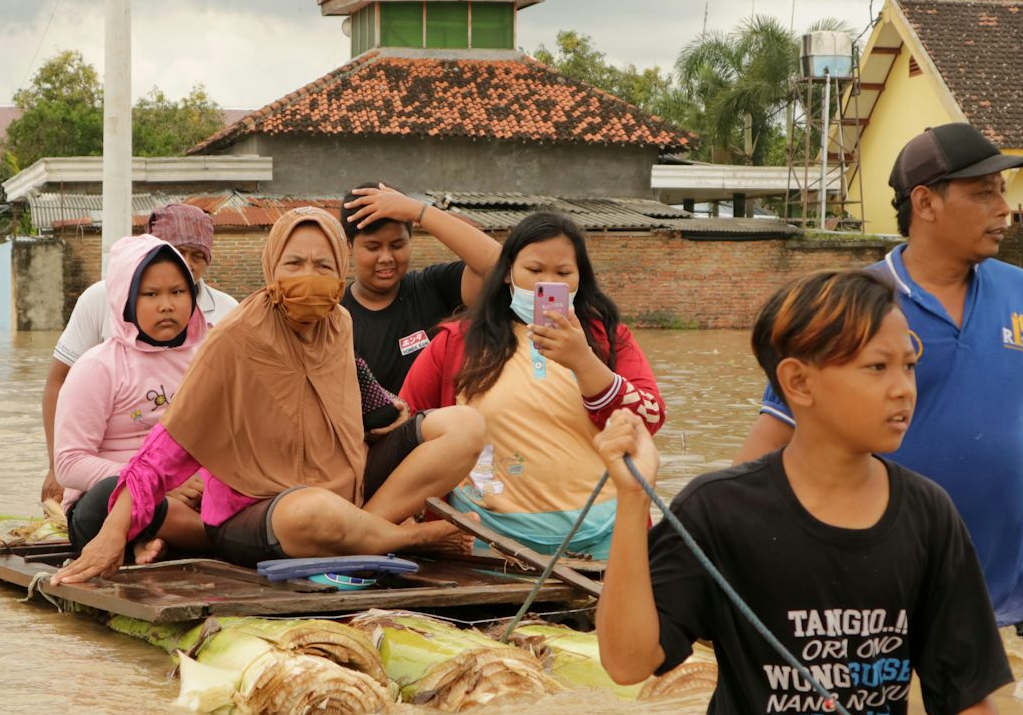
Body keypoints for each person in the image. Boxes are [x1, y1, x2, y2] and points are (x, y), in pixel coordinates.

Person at [595, 269, 1018, 715]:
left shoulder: (929, 515)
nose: (903, 389)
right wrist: (632, 503)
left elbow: (964, 691)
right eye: (877, 368)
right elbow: (627, 663)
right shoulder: (721, 510)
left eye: (909, 367)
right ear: (798, 383)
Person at [735, 122, 1023, 642]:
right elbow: (775, 436)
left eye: (1002, 192)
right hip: (873, 605)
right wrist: (728, 559)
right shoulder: (852, 304)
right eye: (982, 193)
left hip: (1008, 602)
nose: (1002, 208)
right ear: (925, 203)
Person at [51, 206, 486, 586]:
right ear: (271, 268)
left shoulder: (340, 325)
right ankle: (395, 537)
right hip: (257, 509)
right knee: (309, 511)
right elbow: (168, 446)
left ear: (340, 270)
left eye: (322, 265)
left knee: (464, 426)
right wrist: (114, 531)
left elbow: (356, 415)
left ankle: (361, 531)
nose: (308, 277)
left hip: (342, 490)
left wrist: (392, 421)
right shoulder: (236, 336)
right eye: (293, 264)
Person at [399, 211, 664, 558]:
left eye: (563, 273)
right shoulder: (454, 344)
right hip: (484, 546)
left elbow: (649, 419)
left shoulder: (608, 339)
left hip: (605, 543)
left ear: (580, 278)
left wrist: (583, 361)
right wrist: (405, 522)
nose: (547, 284)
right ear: (508, 273)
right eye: (535, 271)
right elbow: (405, 432)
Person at [41, 202, 235, 502]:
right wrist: (55, 467)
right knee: (114, 496)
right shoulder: (99, 315)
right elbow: (59, 382)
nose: (166, 305)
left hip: (186, 487)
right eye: (151, 294)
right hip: (115, 479)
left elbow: (228, 424)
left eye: (198, 256)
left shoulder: (224, 321)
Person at [53, 233, 211, 553]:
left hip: (191, 502)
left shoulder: (208, 358)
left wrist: (205, 484)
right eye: (150, 294)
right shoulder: (98, 367)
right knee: (107, 499)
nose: (166, 305)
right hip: (109, 506)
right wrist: (157, 484)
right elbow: (69, 464)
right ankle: (213, 540)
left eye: (178, 292)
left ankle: (159, 542)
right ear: (124, 299)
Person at [340, 182, 502, 394]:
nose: (386, 258)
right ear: (350, 246)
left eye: (397, 245)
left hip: (444, 426)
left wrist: (419, 211)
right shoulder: (337, 316)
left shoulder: (433, 287)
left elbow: (499, 266)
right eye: (373, 247)